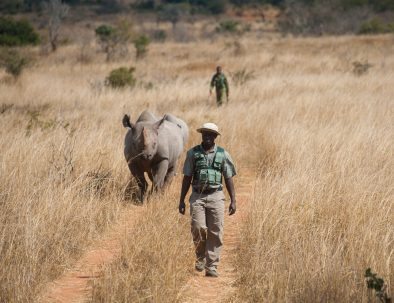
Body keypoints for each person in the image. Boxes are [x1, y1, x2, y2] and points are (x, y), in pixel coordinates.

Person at [178, 122, 237, 278]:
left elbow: (228, 177)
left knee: (216, 231)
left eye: (211, 134)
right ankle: (200, 257)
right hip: (197, 195)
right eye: (205, 134)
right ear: (202, 135)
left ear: (215, 137)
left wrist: (233, 200)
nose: (207, 137)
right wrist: (181, 200)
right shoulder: (193, 154)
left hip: (216, 196)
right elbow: (187, 177)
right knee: (198, 227)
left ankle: (212, 266)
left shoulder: (223, 154)